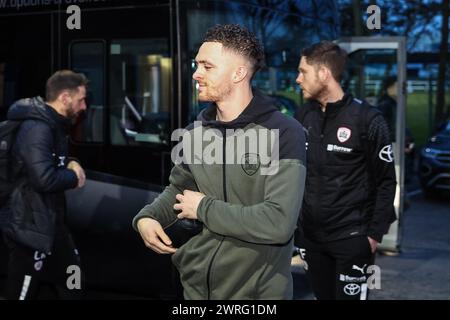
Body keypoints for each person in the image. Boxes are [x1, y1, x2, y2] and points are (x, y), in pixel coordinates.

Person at [133, 24, 307, 300]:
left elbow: (278, 223)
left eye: (207, 66)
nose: (196, 73)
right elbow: (178, 192)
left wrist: (204, 208)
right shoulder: (194, 132)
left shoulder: (284, 132)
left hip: (256, 293)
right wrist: (147, 217)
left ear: (239, 73)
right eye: (197, 64)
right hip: (195, 289)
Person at [293, 41, 397, 300]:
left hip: (352, 239)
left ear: (324, 74)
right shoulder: (302, 116)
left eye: (303, 71)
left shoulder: (369, 120)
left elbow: (386, 181)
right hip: (311, 240)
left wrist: (373, 235)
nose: (297, 79)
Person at [2, 70, 88, 300]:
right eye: (81, 99)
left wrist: (72, 162)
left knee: (74, 280)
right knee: (21, 293)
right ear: (65, 98)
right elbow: (44, 178)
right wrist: (74, 177)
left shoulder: (54, 124)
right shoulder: (36, 128)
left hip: (52, 225)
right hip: (29, 228)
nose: (84, 107)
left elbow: (53, 161)